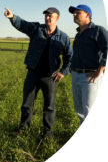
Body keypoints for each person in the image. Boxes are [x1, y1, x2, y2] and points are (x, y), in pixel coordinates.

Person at [4, 7, 72, 138]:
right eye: (46, 15)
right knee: (27, 103)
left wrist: (63, 72)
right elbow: (22, 24)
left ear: (57, 18)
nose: (47, 18)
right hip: (33, 73)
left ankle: (47, 131)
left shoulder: (64, 37)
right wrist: (13, 17)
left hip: (51, 76)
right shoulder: (36, 29)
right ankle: (23, 127)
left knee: (49, 106)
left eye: (50, 16)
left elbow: (69, 57)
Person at [69, 5, 108, 124]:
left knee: (89, 113)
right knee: (80, 111)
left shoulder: (98, 30)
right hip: (76, 76)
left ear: (88, 15)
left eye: (77, 12)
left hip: (91, 76)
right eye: (74, 13)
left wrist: (101, 68)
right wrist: (72, 66)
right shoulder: (78, 34)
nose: (74, 15)